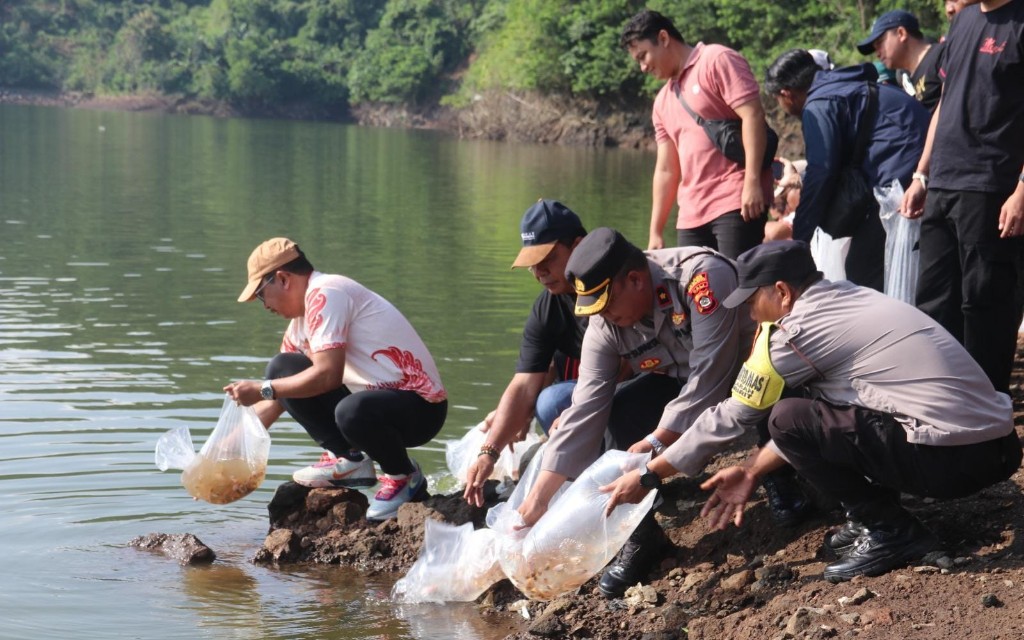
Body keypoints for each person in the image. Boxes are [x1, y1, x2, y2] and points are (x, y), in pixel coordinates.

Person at [600, 240, 1022, 583]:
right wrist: (752, 470)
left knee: (786, 415)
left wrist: (651, 473)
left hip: (954, 460)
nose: (749, 313)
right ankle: (872, 518)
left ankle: (892, 530)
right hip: (996, 446)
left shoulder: (796, 332)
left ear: (782, 292)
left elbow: (734, 415)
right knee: (810, 406)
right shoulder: (848, 294)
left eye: (753, 301)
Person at [515, 228, 799, 599]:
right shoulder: (605, 318)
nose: (604, 316)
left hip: (742, 370)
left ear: (635, 280)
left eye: (608, 305)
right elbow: (586, 405)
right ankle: (643, 537)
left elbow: (711, 377)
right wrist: (537, 500)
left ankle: (781, 478)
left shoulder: (701, 278)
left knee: (769, 394)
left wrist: (656, 442)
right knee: (614, 417)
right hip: (678, 382)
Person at [223, 238, 448, 521]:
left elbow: (327, 376)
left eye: (260, 294)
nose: (264, 305)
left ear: (282, 279)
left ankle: (403, 475)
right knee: (283, 367)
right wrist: (225, 456)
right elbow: (281, 395)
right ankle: (348, 457)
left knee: (349, 409)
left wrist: (262, 389)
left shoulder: (327, 292)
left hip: (420, 409)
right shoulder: (300, 325)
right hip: (372, 406)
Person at [901, 0, 1024, 394]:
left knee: (984, 305)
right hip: (943, 181)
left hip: (991, 184)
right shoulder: (965, 20)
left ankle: (986, 408)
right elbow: (944, 101)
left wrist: (1022, 188)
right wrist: (922, 173)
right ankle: (944, 401)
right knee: (934, 301)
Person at [463, 199, 595, 507]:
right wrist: (489, 452)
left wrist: (574, 411)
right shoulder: (548, 305)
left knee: (551, 402)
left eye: (547, 259)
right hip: (592, 397)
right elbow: (524, 384)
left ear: (578, 246)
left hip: (641, 390)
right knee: (533, 427)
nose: (539, 272)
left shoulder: (611, 287)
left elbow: (622, 368)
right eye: (532, 263)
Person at [764, 49, 929, 291]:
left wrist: (800, 238)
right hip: (919, 166)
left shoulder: (819, 104)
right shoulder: (843, 86)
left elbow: (823, 171)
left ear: (786, 94)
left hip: (903, 177)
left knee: (863, 274)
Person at [619, 9, 772, 258]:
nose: (643, 67)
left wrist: (752, 183)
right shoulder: (662, 102)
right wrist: (656, 230)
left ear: (663, 38)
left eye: (643, 56)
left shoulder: (716, 59)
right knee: (698, 284)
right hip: (691, 216)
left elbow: (752, 115)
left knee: (737, 280)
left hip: (735, 201)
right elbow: (666, 169)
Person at [857, 10, 943, 113]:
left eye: (880, 43)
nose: (877, 54)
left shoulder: (942, 57)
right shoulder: (906, 78)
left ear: (901, 33)